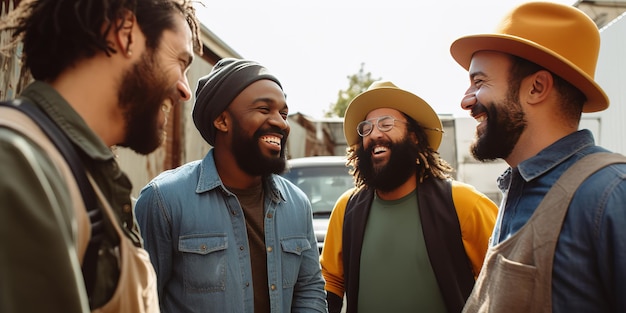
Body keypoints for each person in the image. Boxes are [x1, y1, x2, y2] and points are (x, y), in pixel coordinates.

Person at [0, 1, 202, 312]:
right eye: (181, 61)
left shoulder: (83, 172)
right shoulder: (18, 164)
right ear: (125, 32)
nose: (185, 90)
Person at [449, 2, 626, 312]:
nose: (466, 101)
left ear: (537, 88)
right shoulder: (517, 188)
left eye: (479, 82)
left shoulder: (610, 193)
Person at [134, 58, 328, 313]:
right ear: (222, 120)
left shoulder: (297, 203)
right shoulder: (164, 199)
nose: (281, 123)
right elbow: (143, 302)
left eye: (283, 113)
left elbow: (310, 290)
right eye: (263, 109)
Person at [320, 80, 498, 313]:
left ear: (414, 137)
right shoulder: (347, 208)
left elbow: (504, 281)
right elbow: (331, 281)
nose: (375, 134)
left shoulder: (463, 202)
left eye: (386, 124)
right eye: (367, 128)